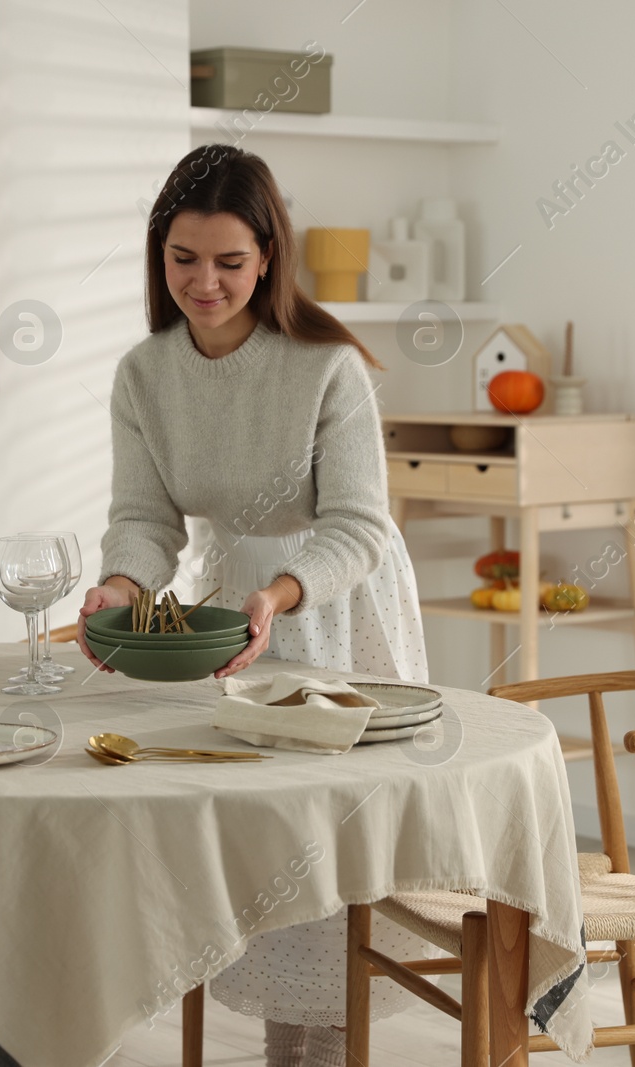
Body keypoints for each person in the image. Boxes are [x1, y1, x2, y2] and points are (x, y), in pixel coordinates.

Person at [75, 144, 431, 1067]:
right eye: (183, 259)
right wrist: (118, 588)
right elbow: (145, 522)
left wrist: (277, 593)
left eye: (230, 262)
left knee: (337, 850)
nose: (205, 282)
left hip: (336, 605)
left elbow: (359, 523)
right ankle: (289, 1053)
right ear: (159, 255)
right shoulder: (144, 375)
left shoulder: (325, 367)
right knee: (275, 852)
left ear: (269, 256)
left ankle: (326, 1053)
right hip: (237, 615)